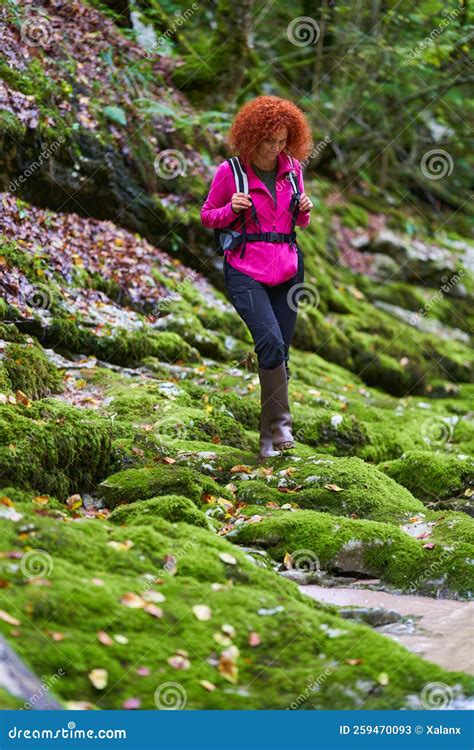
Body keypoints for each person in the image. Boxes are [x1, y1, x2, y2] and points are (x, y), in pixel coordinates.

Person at [200, 95, 313, 460]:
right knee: (269, 343)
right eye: (269, 141)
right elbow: (207, 215)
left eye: (282, 141)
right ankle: (281, 427)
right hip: (246, 271)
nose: (276, 148)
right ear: (252, 137)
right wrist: (230, 209)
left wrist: (304, 210)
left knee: (281, 349)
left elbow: (301, 221)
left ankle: (267, 442)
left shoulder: (293, 170)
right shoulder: (230, 172)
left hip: (288, 272)